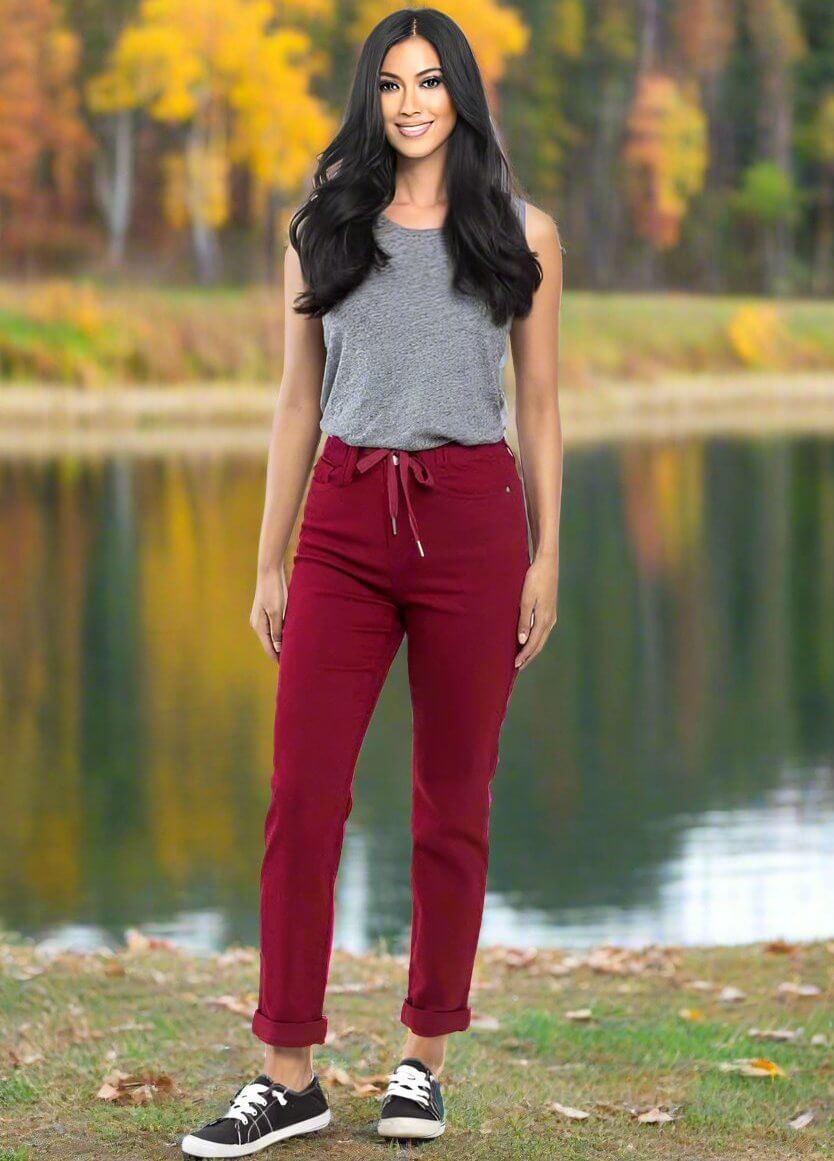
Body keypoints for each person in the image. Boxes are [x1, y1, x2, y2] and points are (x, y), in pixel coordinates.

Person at [181, 6, 562, 1157]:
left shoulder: (524, 230)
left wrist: (550, 554)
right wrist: (269, 553)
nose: (410, 101)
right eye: (391, 82)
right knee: (302, 797)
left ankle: (421, 1063)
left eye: (431, 81)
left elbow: (540, 408)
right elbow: (297, 399)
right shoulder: (323, 227)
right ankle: (286, 1073)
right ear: (370, 95)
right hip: (343, 524)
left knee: (454, 805)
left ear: (461, 96)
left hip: (477, 526)